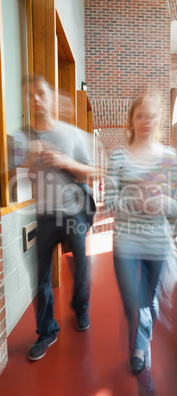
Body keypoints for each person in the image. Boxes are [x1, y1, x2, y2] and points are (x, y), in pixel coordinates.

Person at [104, 94, 177, 396]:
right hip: (125, 243)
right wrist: (135, 201)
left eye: (153, 115)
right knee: (135, 307)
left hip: (157, 245)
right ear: (132, 119)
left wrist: (161, 203)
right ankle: (146, 381)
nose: (147, 121)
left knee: (146, 306)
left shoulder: (169, 157)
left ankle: (144, 374)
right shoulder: (117, 157)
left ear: (160, 120)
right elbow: (109, 204)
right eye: (141, 115)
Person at [23, 76, 96, 361]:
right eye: (30, 95)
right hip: (45, 216)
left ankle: (81, 307)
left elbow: (91, 172)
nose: (36, 100)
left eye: (41, 93)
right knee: (41, 277)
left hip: (74, 212)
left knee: (81, 268)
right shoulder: (23, 136)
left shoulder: (73, 134)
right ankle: (46, 331)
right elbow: (23, 180)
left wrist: (65, 162)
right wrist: (30, 161)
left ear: (51, 97)